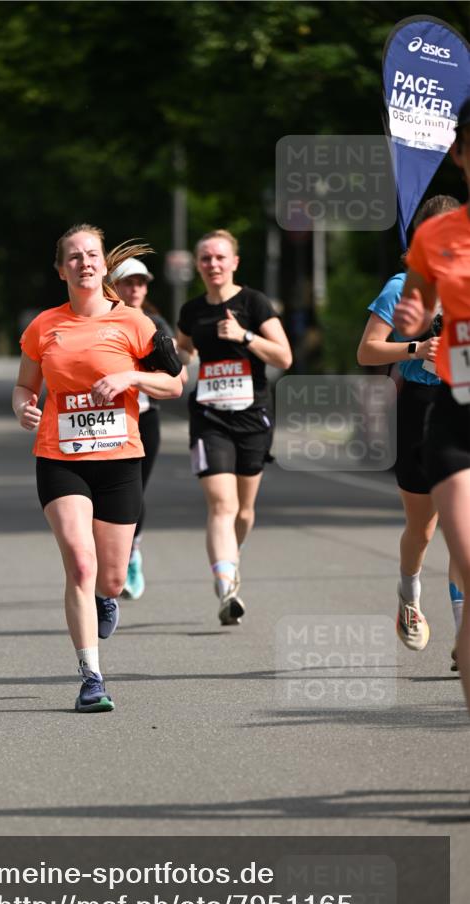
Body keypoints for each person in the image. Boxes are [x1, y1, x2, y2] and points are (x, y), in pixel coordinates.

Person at [13, 225, 182, 713]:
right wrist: (23, 407)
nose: (84, 262)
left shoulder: (136, 323)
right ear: (61, 268)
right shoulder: (45, 326)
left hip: (120, 460)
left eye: (91, 255)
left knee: (110, 579)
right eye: (73, 256)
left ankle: (106, 599)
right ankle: (91, 677)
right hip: (60, 458)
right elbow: (24, 388)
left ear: (104, 264)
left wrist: (131, 375)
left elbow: (173, 382)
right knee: (80, 564)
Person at [357, 195, 463, 666]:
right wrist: (417, 347)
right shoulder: (401, 288)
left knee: (464, 529)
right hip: (418, 408)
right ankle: (409, 592)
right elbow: (368, 352)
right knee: (423, 527)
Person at [393, 97, 470, 708]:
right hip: (454, 414)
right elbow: (410, 314)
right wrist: (417, 319)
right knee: (460, 554)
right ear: (459, 153)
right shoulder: (438, 237)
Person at [176, 229, 292, 625]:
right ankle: (226, 586)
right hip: (209, 417)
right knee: (221, 505)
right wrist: (168, 357)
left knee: (244, 511)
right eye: (205, 258)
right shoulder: (192, 311)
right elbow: (182, 349)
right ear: (198, 265)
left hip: (251, 417)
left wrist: (244, 335)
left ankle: (231, 560)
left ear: (234, 262)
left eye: (220, 258)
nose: (213, 264)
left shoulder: (253, 303)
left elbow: (284, 356)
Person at [110, 256, 177, 599]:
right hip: (106, 420)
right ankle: (107, 560)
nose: (135, 288)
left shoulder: (155, 323)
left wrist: (139, 378)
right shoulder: (100, 320)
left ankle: (131, 554)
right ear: (114, 286)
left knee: (134, 491)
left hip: (143, 418)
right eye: (128, 282)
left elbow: (176, 374)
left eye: (141, 282)